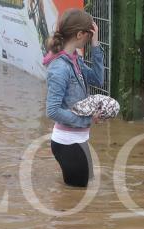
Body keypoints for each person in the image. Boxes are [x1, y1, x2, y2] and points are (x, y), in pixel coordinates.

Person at [43, 9, 104, 188]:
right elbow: (52, 110)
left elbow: (99, 79)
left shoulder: (75, 59)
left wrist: (95, 45)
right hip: (68, 143)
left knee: (79, 192)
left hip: (78, 139)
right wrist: (86, 118)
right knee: (77, 200)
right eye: (89, 35)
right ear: (79, 34)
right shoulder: (60, 68)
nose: (89, 39)